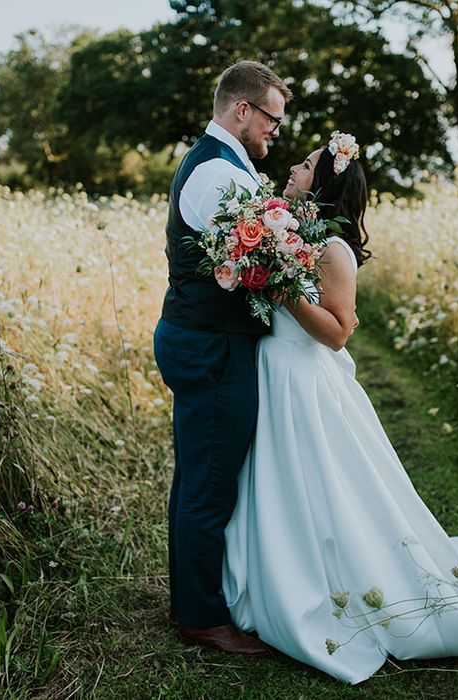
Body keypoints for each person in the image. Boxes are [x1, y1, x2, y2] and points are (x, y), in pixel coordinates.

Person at [222, 135, 458, 683]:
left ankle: (323, 582)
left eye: (307, 164)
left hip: (304, 379)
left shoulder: (332, 249)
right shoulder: (286, 227)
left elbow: (337, 334)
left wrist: (284, 287)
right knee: (276, 481)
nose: (293, 166)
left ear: (326, 181)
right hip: (272, 370)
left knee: (320, 484)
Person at [152, 60, 291, 655]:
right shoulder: (218, 174)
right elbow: (255, 269)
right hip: (211, 344)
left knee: (198, 478)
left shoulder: (224, 165)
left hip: (204, 336)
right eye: (272, 120)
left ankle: (193, 600)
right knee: (209, 485)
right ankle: (202, 617)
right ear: (242, 109)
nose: (275, 133)